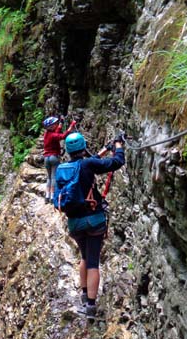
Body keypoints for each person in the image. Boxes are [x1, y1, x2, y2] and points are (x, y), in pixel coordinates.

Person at [56, 132, 125, 319]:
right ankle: (91, 307)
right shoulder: (87, 165)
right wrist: (118, 146)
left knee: (84, 257)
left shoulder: (62, 167)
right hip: (93, 220)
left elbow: (90, 163)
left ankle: (84, 294)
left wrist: (104, 149)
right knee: (93, 262)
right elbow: (116, 163)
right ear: (83, 146)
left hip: (74, 223)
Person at [42, 116, 77, 200]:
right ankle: (52, 196)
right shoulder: (53, 135)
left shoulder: (47, 134)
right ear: (51, 126)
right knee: (54, 177)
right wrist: (71, 127)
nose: (56, 125)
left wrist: (61, 123)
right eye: (55, 124)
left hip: (46, 158)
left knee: (49, 177)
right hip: (54, 157)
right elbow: (62, 136)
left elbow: (56, 133)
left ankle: (47, 196)